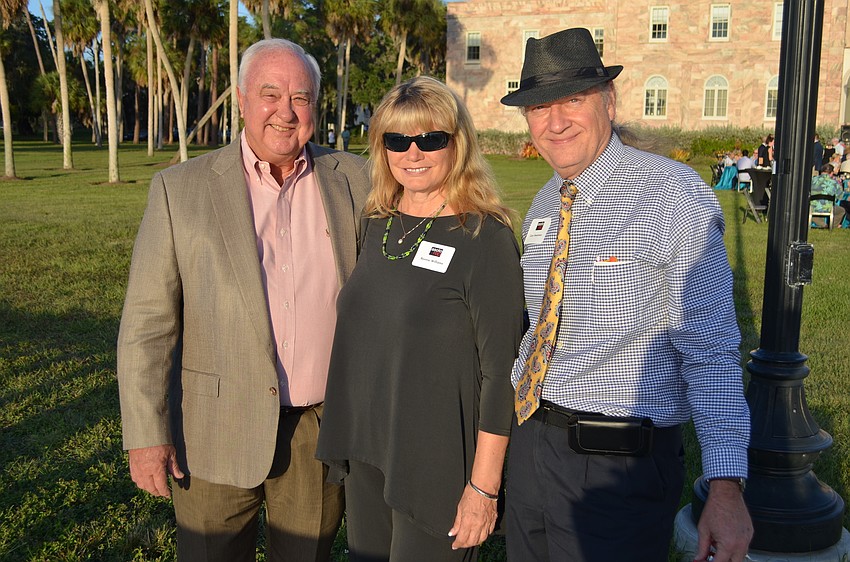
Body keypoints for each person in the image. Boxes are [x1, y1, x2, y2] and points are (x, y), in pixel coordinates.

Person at [499, 28, 753, 562]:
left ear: (608, 102)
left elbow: (710, 350)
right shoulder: (544, 203)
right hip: (531, 449)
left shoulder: (673, 196)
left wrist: (726, 486)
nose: (555, 121)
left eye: (573, 99)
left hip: (616, 469)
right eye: (539, 107)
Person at [117, 38, 371, 561]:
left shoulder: (356, 179)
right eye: (270, 94)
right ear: (240, 100)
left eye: (300, 98)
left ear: (315, 106)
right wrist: (145, 434)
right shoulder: (179, 189)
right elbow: (147, 324)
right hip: (214, 432)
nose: (285, 112)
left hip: (318, 433)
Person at [316, 76, 524, 562]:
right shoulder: (377, 223)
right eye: (397, 139)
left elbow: (502, 375)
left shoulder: (485, 238)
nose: (413, 153)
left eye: (430, 139)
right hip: (370, 449)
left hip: (437, 464)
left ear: (458, 143)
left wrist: (484, 488)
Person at [810, 163, 847, 228]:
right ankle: (831, 225)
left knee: (809, 209)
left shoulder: (812, 180)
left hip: (813, 207)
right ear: (831, 173)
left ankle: (822, 224)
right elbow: (840, 197)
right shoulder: (834, 183)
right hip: (828, 207)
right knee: (842, 211)